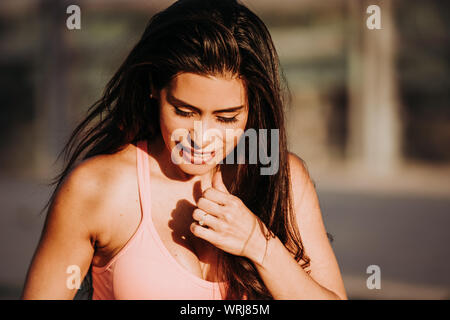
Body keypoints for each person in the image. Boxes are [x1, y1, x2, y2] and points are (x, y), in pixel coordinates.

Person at [21, 0, 347, 300]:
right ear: (153, 88)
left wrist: (259, 245)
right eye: (185, 112)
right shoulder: (97, 189)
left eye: (227, 117)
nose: (202, 137)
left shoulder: (282, 178)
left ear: (253, 107)